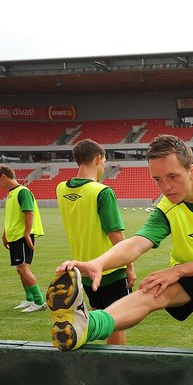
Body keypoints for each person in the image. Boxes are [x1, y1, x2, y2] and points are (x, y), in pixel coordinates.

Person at [48, 134, 193, 351]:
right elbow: (138, 242)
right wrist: (98, 263)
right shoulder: (167, 206)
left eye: (172, 176)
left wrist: (178, 271)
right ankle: (87, 326)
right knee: (149, 293)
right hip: (192, 275)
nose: (166, 187)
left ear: (192, 171)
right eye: (157, 179)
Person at [56, 139, 137, 345]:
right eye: (104, 162)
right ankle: (115, 370)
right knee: (114, 323)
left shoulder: (61, 189)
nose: (103, 167)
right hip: (109, 269)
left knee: (96, 316)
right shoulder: (102, 192)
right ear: (98, 159)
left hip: (83, 269)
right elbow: (116, 236)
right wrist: (129, 266)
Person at [0, 164, 46, 312]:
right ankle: (29, 299)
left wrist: (27, 234)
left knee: (23, 268)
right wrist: (5, 235)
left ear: (3, 176)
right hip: (14, 236)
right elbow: (11, 217)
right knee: (20, 269)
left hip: (22, 236)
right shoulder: (12, 193)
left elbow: (29, 213)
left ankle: (39, 301)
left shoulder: (23, 192)